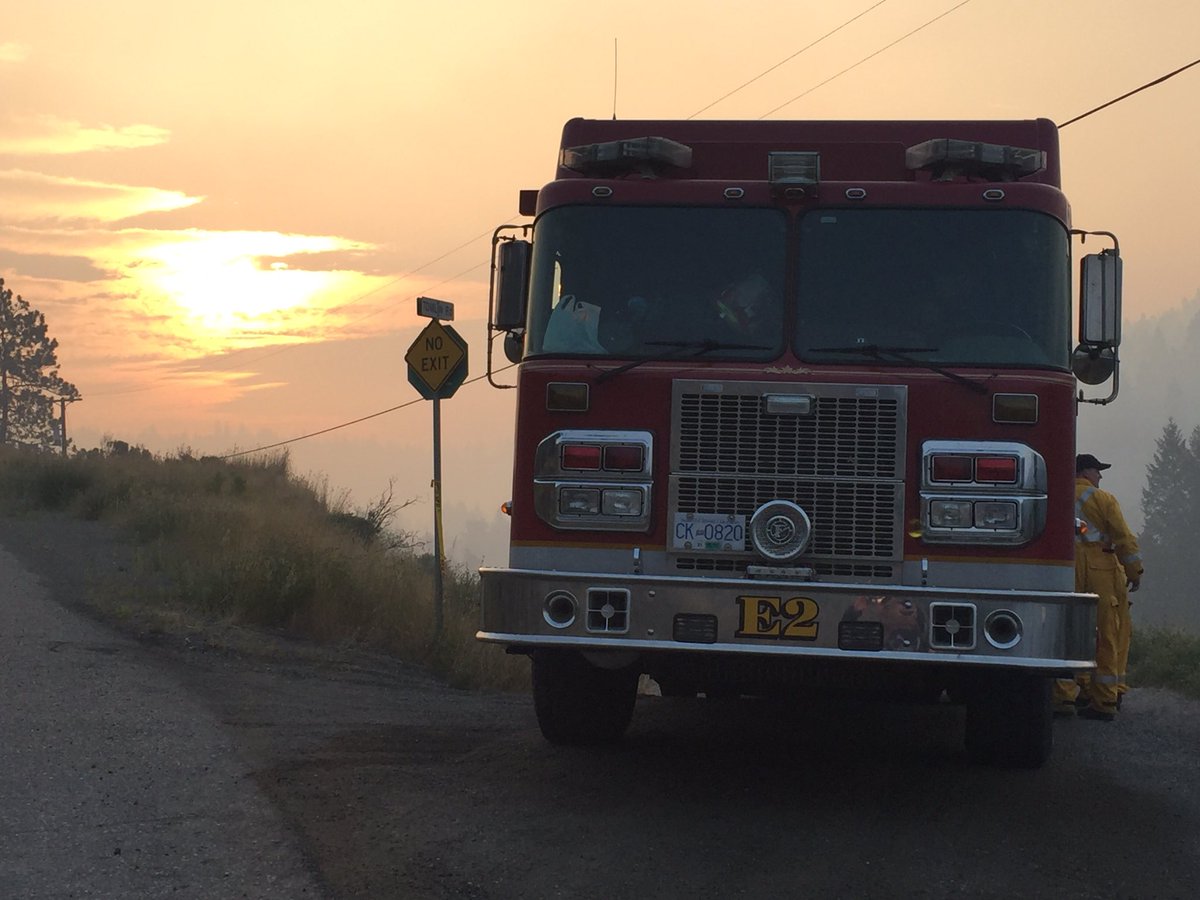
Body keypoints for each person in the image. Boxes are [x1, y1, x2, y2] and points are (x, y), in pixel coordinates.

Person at [1052, 453, 1144, 721]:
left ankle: (1064, 697)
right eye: (1097, 470)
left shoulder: (1056, 497)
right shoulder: (1104, 500)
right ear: (1084, 472)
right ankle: (1104, 700)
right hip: (1101, 570)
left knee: (1066, 630)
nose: (1100, 476)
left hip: (1064, 569)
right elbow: (1123, 538)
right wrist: (1134, 572)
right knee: (1106, 634)